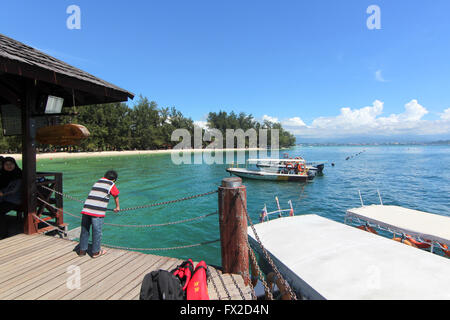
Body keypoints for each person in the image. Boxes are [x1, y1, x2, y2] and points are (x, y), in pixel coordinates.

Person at [78, 170, 120, 258]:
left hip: (86, 209)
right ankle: (96, 252)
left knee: (85, 230)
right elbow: (116, 195)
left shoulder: (98, 181)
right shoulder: (111, 184)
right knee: (97, 231)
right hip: (97, 212)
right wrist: (117, 207)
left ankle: (82, 250)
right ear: (114, 180)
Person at [0, 157, 23, 239]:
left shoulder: (18, 174)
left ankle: (2, 235)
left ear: (15, 164)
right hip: (4, 199)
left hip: (14, 200)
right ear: (3, 165)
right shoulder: (3, 174)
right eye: (6, 164)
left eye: (11, 164)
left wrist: (3, 193)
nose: (9, 166)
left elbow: (14, 190)